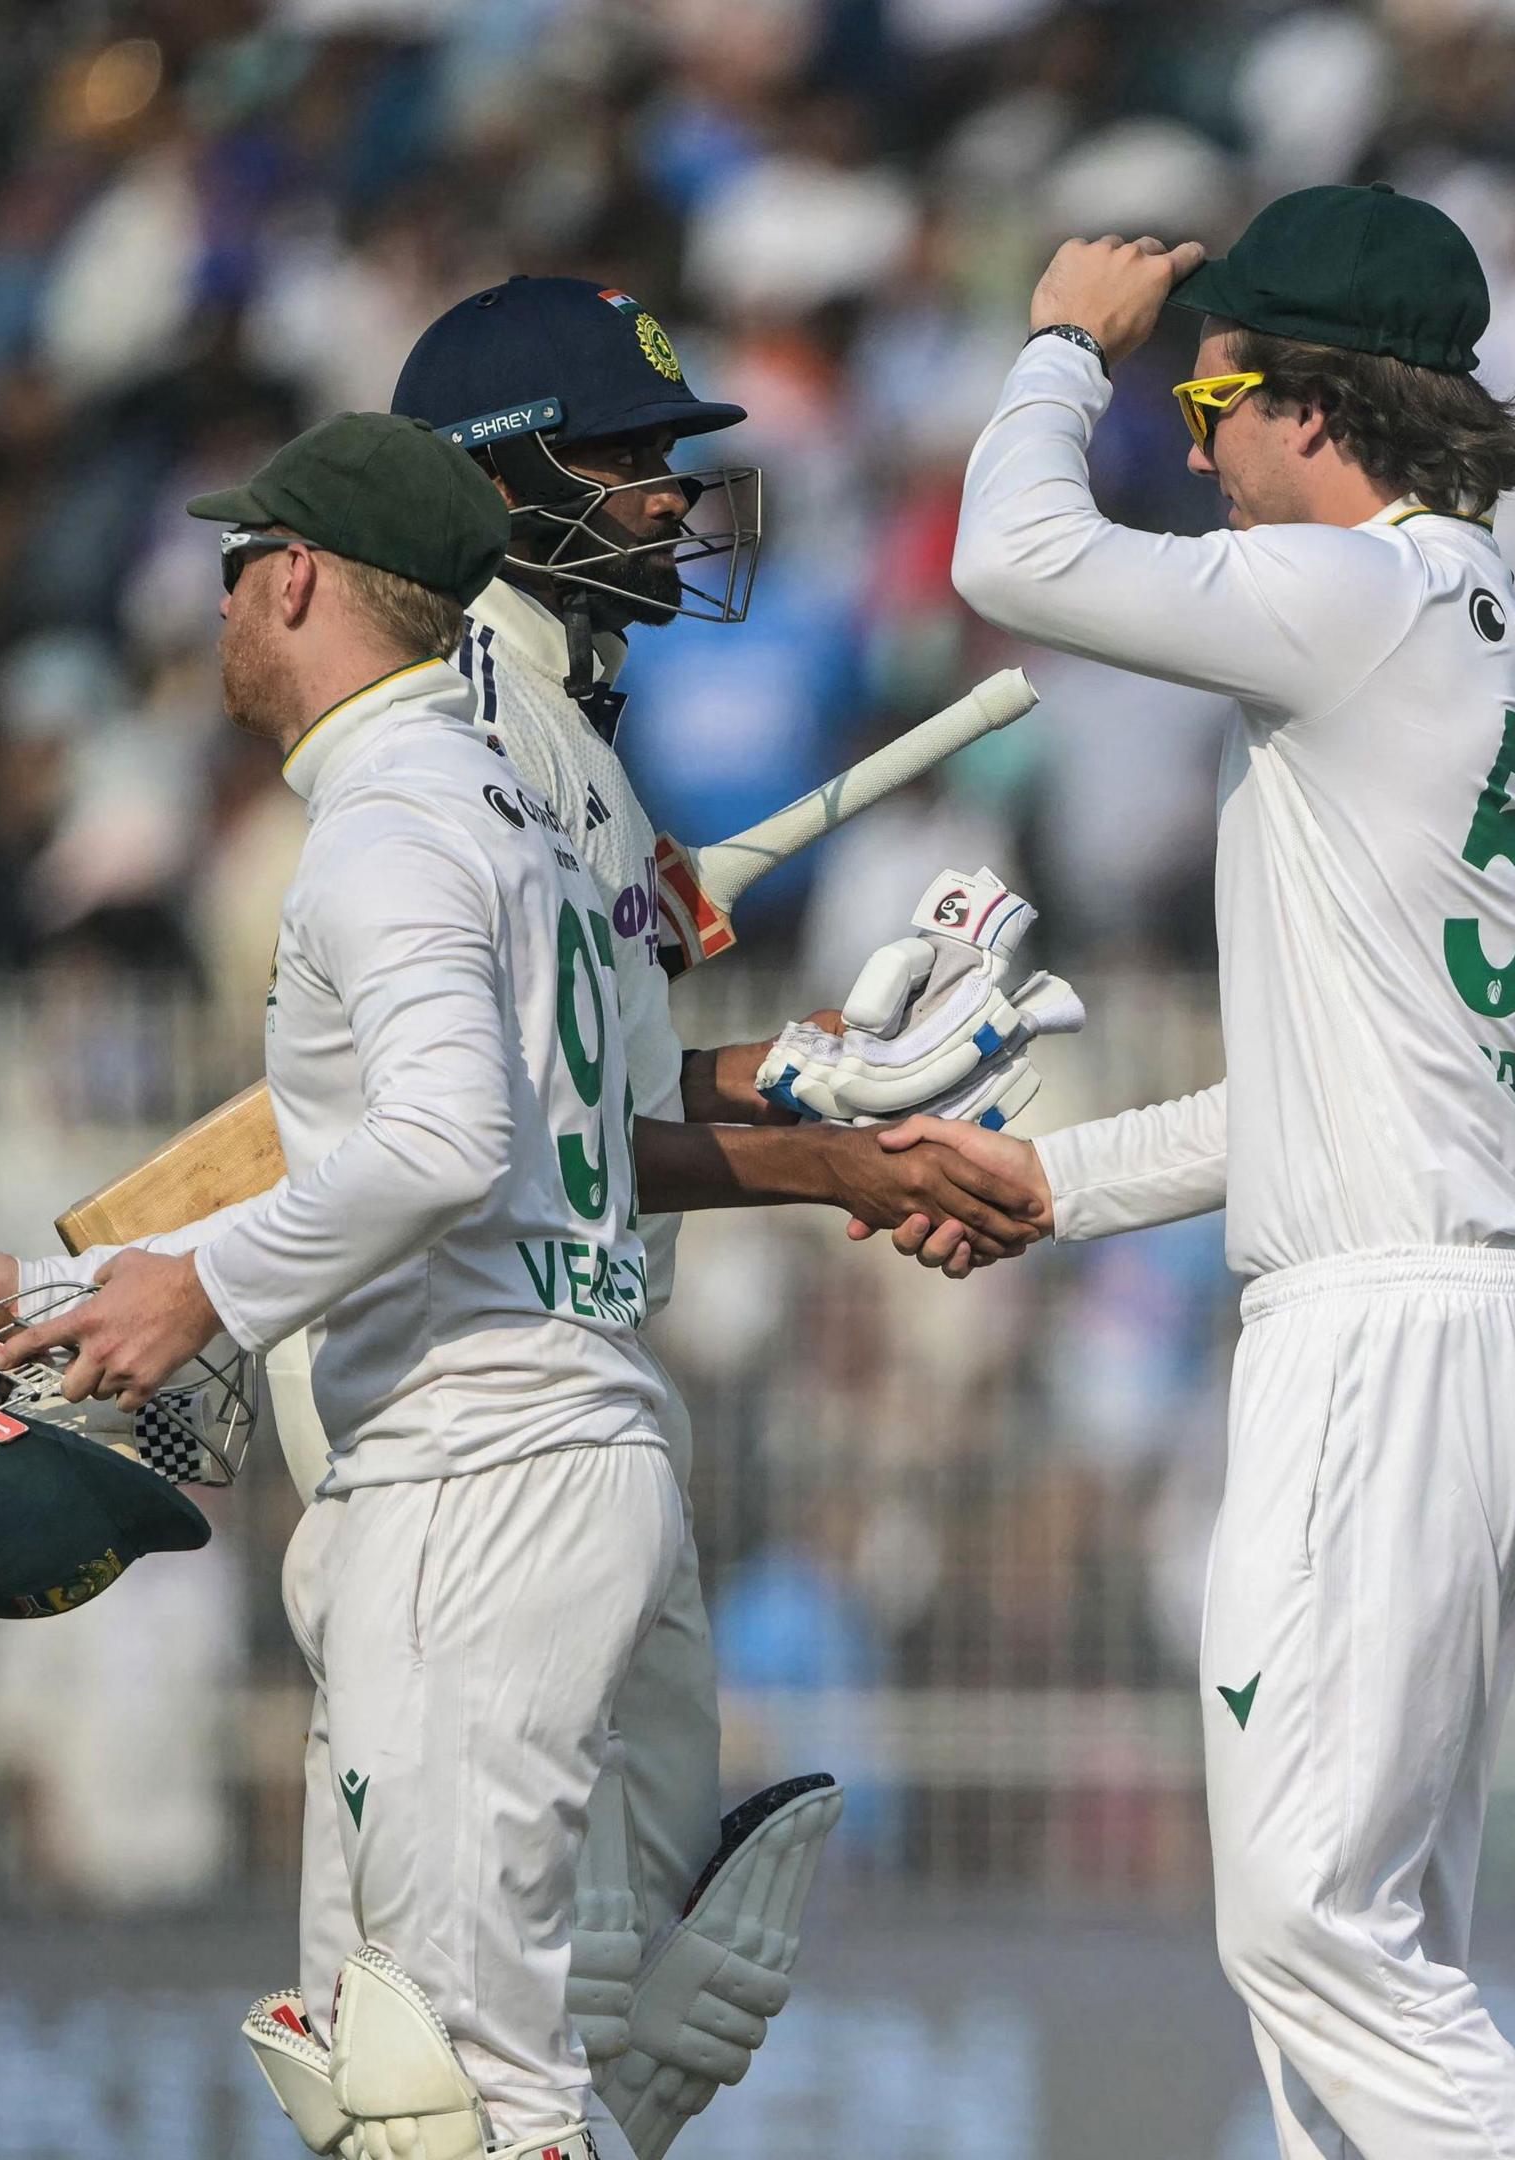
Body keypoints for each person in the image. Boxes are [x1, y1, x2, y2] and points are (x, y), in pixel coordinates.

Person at [0, 414, 1039, 2160]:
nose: (211, 616)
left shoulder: (400, 826)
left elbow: (437, 1145)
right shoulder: (507, 812)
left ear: (293, 579)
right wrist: (73, 1276)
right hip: (521, 1450)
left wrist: (194, 1291)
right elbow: (376, 1131)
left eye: (230, 574)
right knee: (378, 2096)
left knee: (464, 2110)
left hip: (473, 1473)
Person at [927, 185, 1515, 2157]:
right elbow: (1333, 1078)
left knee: (1314, 1938)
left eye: (1210, 401)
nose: (1196, 447)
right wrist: (1053, 1186)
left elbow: (1011, 552)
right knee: (1367, 1967)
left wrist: (1064, 337)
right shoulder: (1503, 650)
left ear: (1310, 409)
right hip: (1476, 1316)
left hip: (1379, 1338)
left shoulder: (1361, 599)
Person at [378, 276, 1050, 2159]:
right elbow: (524, 1131)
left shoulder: (576, 734)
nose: (671, 500)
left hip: (595, 1380)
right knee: (449, 2060)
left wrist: (807, 1077)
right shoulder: (462, 732)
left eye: (675, 462)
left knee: (605, 2027)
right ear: (494, 484)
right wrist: (845, 1168)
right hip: (478, 1411)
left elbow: (618, 1093)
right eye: (626, 460)